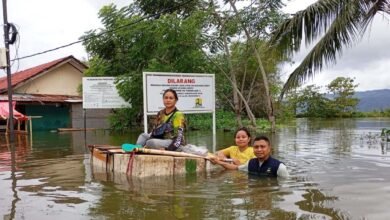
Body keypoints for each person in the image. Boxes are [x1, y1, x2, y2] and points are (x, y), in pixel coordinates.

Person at [211, 135, 289, 178]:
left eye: (262, 147)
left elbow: (284, 186)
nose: (259, 149)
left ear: (269, 148)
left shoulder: (279, 167)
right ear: (253, 149)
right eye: (256, 147)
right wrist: (218, 162)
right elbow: (235, 168)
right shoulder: (251, 163)